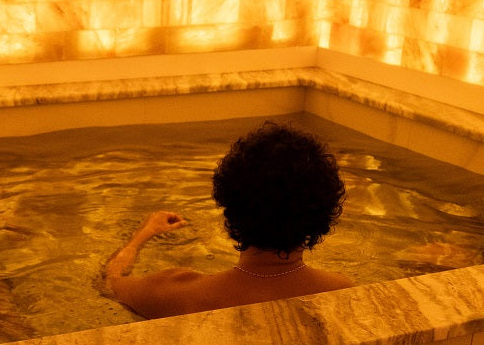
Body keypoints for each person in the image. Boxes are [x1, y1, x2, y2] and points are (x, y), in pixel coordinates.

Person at [104, 121, 354, 319]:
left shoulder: (174, 295)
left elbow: (109, 282)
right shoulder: (344, 294)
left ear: (230, 204)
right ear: (323, 210)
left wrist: (143, 234)